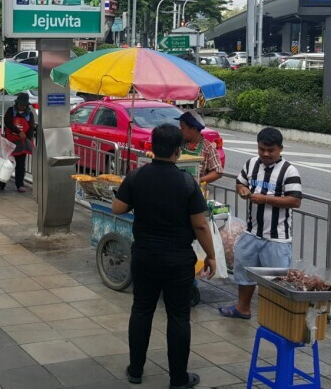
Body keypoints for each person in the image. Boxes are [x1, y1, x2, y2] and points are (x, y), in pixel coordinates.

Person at [112, 124, 216, 389]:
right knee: (178, 317)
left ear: (152, 147)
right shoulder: (186, 182)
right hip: (177, 260)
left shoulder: (137, 176)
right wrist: (211, 255)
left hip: (144, 255)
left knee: (142, 310)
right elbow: (201, 225)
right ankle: (178, 379)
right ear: (178, 150)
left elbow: (118, 207)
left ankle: (135, 370)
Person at [220, 127, 302, 319]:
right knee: (244, 273)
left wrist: (265, 199)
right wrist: (242, 190)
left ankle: (278, 318)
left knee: (276, 281)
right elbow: (240, 182)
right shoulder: (251, 164)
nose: (266, 154)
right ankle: (243, 308)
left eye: (270, 150)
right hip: (251, 233)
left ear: (280, 149)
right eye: (262, 149)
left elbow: (295, 201)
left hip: (277, 239)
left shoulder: (289, 171)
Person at [0, 92, 35, 193]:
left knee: (20, 165)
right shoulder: (10, 111)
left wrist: (27, 139)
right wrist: (19, 132)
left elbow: (31, 128)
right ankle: (1, 184)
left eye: (23, 105)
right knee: (6, 163)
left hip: (21, 144)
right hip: (10, 142)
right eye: (20, 104)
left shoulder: (29, 114)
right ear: (17, 103)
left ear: (26, 105)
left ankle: (20, 185)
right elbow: (8, 123)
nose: (21, 106)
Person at [175, 111, 223, 187]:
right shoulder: (178, 143)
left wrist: (199, 180)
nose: (180, 130)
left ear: (193, 129)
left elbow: (218, 172)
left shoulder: (208, 147)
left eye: (183, 128)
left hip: (196, 190)